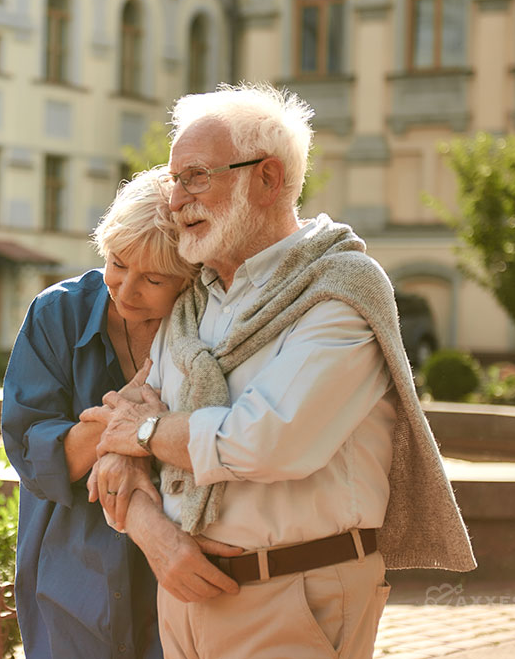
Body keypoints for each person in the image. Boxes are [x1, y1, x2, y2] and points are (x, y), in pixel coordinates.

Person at [83, 84, 476, 658]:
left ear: (267, 179)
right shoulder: (195, 303)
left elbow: (266, 441)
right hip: (184, 590)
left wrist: (143, 435)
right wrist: (154, 533)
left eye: (196, 177)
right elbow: (120, 432)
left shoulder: (341, 291)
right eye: (174, 180)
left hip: (296, 593)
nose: (175, 201)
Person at [1, 167, 241, 659]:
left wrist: (133, 436)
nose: (126, 290)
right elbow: (37, 457)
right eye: (117, 263)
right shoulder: (56, 314)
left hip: (178, 580)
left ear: (190, 275)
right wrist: (124, 425)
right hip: (71, 581)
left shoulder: (209, 324)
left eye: (153, 279)